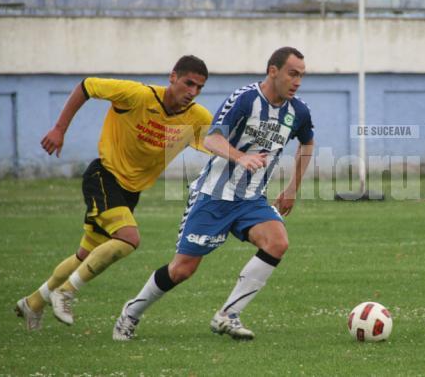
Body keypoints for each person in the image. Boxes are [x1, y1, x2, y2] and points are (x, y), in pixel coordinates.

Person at [112, 46, 314, 341]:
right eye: (292, 74)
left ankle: (227, 315)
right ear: (273, 71)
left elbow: (307, 143)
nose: (297, 81)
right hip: (214, 195)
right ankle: (130, 313)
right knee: (182, 270)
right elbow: (212, 138)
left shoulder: (298, 111)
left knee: (277, 242)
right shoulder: (245, 99)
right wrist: (240, 157)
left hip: (252, 199)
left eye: (301, 76)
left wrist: (292, 188)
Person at [15, 55, 213, 331]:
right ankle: (65, 292)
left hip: (130, 192)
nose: (192, 92)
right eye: (188, 83)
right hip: (103, 177)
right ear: (173, 77)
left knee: (85, 255)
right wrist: (59, 129)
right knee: (129, 239)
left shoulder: (197, 117)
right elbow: (87, 86)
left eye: (199, 87)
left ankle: (33, 302)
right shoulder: (136, 95)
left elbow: (219, 143)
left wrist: (248, 156)